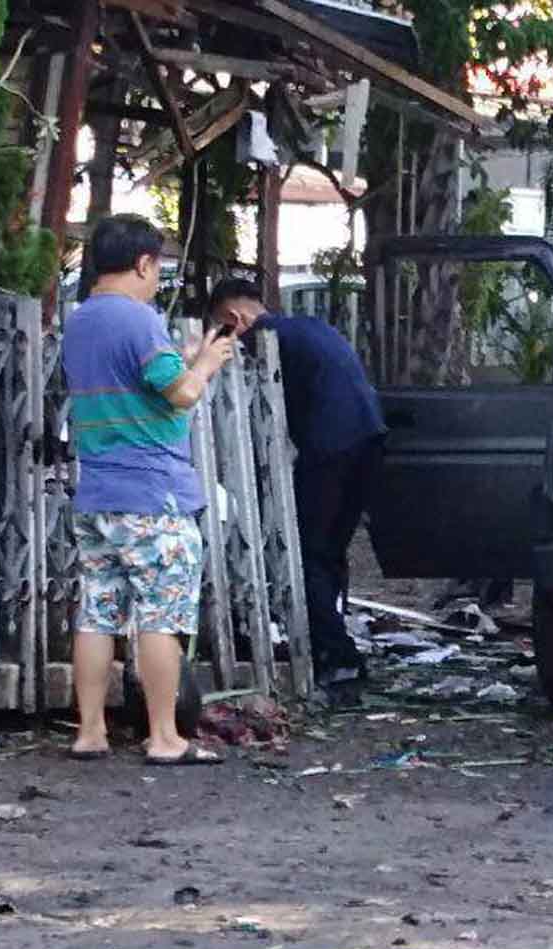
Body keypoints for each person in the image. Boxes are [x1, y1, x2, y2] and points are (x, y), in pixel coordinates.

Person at [64, 215, 234, 765]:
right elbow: (180, 393)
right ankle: (164, 737)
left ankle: (90, 732)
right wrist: (205, 364)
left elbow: (137, 390)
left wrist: (186, 365)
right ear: (142, 263)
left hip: (98, 494)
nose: (158, 279)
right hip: (153, 496)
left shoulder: (80, 321)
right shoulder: (138, 319)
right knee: (161, 617)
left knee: (97, 613)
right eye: (158, 267)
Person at [208, 277, 387, 691]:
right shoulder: (309, 327)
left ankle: (337, 656)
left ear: (235, 318)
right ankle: (333, 641)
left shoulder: (263, 339)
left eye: (222, 329)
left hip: (328, 448)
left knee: (306, 552)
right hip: (368, 438)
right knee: (331, 548)